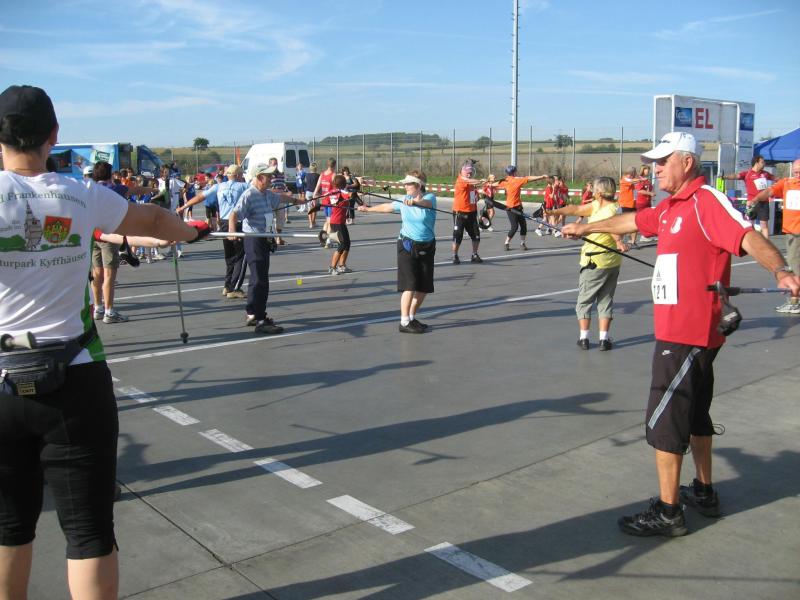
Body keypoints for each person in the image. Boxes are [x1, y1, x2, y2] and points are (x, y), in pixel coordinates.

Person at [0, 84, 203, 600]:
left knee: (8, 528)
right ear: (54, 135)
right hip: (74, 380)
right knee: (89, 532)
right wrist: (189, 232)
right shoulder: (79, 193)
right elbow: (153, 219)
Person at [561, 132, 800, 537]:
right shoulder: (671, 206)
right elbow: (632, 221)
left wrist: (780, 270)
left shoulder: (706, 201)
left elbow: (747, 235)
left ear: (686, 162)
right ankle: (703, 491)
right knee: (695, 414)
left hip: (687, 334)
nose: (655, 170)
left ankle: (669, 511)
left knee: (666, 422)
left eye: (662, 162)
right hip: (686, 332)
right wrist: (586, 228)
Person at [548, 177, 627, 350]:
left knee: (584, 301)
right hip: (612, 262)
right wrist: (553, 211)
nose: (592, 192)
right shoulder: (605, 206)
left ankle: (584, 338)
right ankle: (604, 339)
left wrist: (619, 241)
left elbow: (613, 228)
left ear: (599, 192)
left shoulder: (609, 210)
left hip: (594, 260)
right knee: (605, 300)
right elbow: (575, 209)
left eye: (594, 190)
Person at [358, 172, 436, 333]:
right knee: (410, 285)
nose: (405, 186)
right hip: (407, 245)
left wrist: (415, 202)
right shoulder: (403, 200)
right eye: (405, 183)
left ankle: (411, 317)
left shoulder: (430, 198)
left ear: (419, 185)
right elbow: (387, 207)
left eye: (409, 184)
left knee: (424, 288)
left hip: (427, 246)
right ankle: (404, 322)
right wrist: (368, 209)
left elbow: (426, 203)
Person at [228, 164, 297, 334]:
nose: (271, 178)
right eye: (268, 176)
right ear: (259, 177)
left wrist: (297, 201)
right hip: (254, 240)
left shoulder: (266, 193)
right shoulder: (249, 194)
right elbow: (234, 214)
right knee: (259, 279)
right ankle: (259, 318)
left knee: (259, 278)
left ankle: (253, 313)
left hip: (265, 239)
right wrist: (231, 231)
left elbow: (280, 197)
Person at [178, 164, 249, 298]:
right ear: (239, 175)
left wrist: (184, 206)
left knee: (230, 256)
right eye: (241, 175)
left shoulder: (219, 186)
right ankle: (234, 288)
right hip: (237, 223)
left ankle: (227, 286)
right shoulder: (244, 186)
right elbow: (261, 192)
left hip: (224, 222)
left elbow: (200, 197)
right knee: (240, 256)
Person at [751, 158, 800, 314]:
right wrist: (755, 199)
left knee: (795, 267)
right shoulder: (786, 183)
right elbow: (769, 192)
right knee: (793, 266)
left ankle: (795, 301)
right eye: (796, 172)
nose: (797, 175)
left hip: (797, 235)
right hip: (791, 233)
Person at [496, 165, 547, 251]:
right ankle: (506, 243)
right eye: (516, 171)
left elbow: (494, 184)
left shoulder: (505, 180)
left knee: (523, 225)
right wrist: (541, 177)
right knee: (514, 227)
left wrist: (488, 182)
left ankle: (522, 243)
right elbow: (529, 178)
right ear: (514, 172)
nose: (517, 172)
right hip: (510, 208)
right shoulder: (516, 180)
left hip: (518, 207)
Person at [723, 155, 774, 238]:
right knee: (749, 224)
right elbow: (736, 176)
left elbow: (776, 178)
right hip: (751, 203)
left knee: (764, 224)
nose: (764, 164)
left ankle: (766, 243)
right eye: (762, 162)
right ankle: (751, 242)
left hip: (763, 203)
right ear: (756, 163)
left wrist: (787, 180)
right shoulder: (747, 174)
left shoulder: (765, 173)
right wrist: (724, 177)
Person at [452, 160, 484, 264]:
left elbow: (474, 198)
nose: (469, 174)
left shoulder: (471, 183)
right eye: (467, 172)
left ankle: (474, 254)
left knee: (476, 235)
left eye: (470, 172)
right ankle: (455, 255)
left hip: (472, 212)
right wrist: (482, 181)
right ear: (462, 172)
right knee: (458, 235)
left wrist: (478, 196)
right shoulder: (461, 180)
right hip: (460, 212)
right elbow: (470, 181)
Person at [327, 174, 354, 275]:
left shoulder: (333, 192)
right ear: (344, 184)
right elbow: (350, 195)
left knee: (347, 243)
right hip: (337, 222)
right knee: (342, 244)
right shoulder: (341, 193)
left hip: (339, 222)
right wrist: (356, 194)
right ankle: (332, 267)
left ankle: (342, 266)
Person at [313, 158, 337, 246]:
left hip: (325, 201)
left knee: (327, 220)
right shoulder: (333, 175)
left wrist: (314, 196)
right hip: (331, 201)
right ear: (334, 165)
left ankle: (322, 239)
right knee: (330, 222)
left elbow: (317, 186)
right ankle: (328, 240)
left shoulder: (322, 174)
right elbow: (336, 188)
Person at [633, 165, 655, 243]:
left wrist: (651, 194)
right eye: (645, 169)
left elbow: (649, 189)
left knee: (648, 218)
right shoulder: (639, 179)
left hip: (647, 202)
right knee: (641, 219)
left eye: (648, 169)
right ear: (642, 170)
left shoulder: (647, 180)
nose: (647, 171)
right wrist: (650, 193)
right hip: (641, 203)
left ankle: (646, 235)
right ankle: (642, 236)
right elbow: (639, 191)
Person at [304, 162, 320, 229]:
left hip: (308, 192)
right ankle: (313, 222)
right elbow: (319, 184)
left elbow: (305, 182)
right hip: (315, 193)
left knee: (309, 208)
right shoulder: (318, 175)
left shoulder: (307, 175)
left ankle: (310, 223)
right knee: (315, 208)